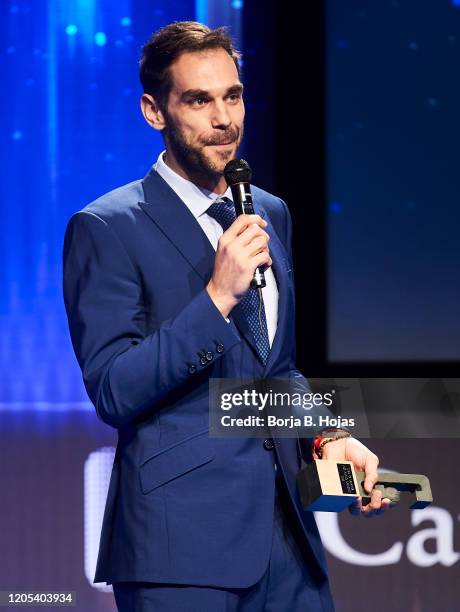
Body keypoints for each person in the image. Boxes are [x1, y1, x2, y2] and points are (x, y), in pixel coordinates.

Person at [63, 21, 391, 612]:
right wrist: (216, 298)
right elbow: (114, 389)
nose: (224, 118)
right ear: (153, 111)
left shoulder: (268, 211)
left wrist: (327, 434)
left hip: (288, 540)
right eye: (198, 99)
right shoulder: (107, 227)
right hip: (179, 551)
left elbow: (277, 364)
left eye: (233, 95)